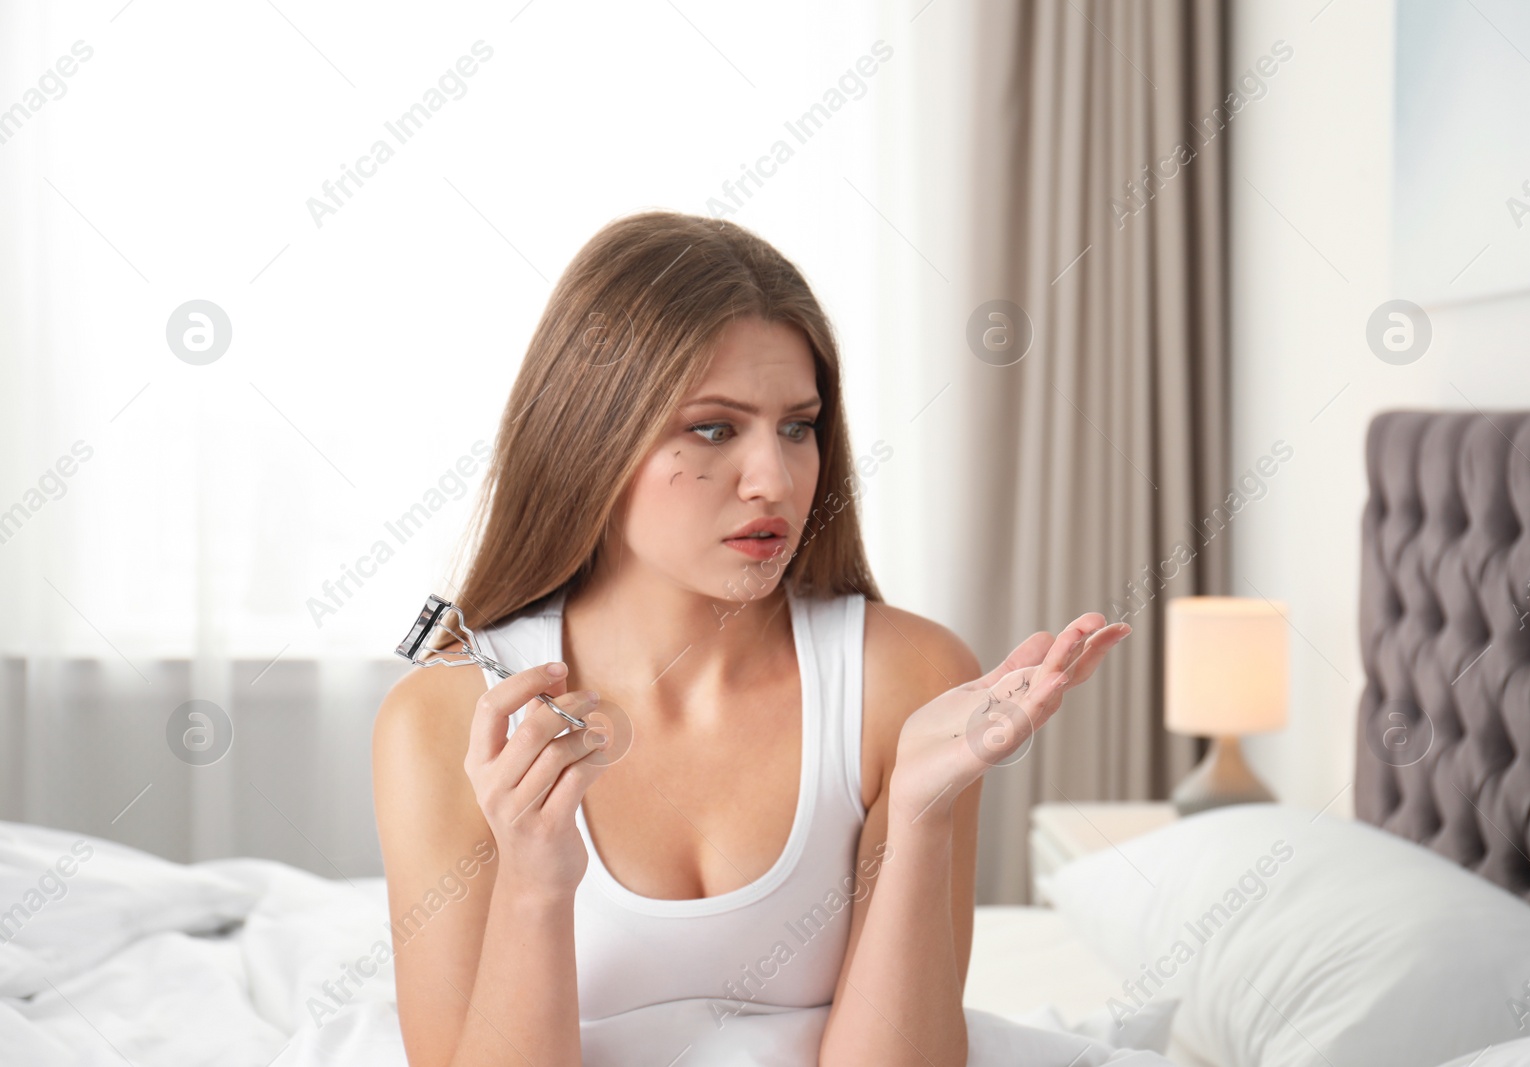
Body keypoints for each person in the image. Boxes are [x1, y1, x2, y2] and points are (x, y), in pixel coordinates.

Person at [371, 210, 1130, 1067]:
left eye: (798, 427)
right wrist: (536, 885)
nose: (774, 479)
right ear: (591, 437)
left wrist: (920, 807)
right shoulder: (445, 721)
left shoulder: (904, 677)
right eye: (714, 427)